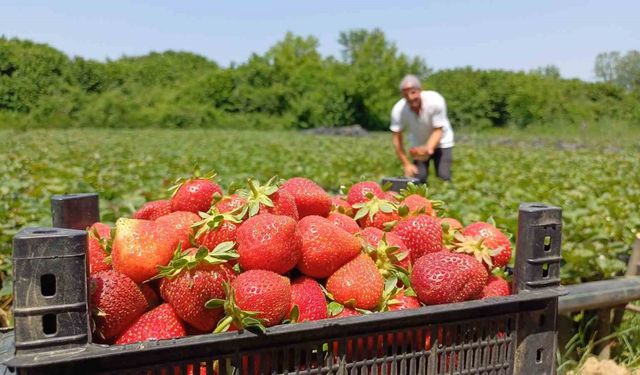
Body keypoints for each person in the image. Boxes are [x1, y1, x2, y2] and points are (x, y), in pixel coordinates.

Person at [390, 74, 454, 183]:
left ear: (420, 90)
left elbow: (438, 130)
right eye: (406, 94)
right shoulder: (398, 110)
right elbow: (396, 138)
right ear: (402, 95)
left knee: (444, 176)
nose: (410, 97)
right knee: (417, 179)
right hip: (418, 145)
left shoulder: (435, 100)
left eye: (413, 92)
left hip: (442, 142)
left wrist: (428, 149)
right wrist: (406, 164)